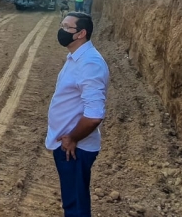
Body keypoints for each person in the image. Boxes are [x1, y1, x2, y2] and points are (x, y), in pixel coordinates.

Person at [46, 12, 109, 217]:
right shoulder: (76, 58)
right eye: (61, 25)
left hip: (74, 147)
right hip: (67, 144)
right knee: (72, 202)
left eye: (66, 27)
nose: (61, 30)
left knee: (76, 207)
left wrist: (72, 138)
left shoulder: (90, 64)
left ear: (81, 33)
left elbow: (94, 115)